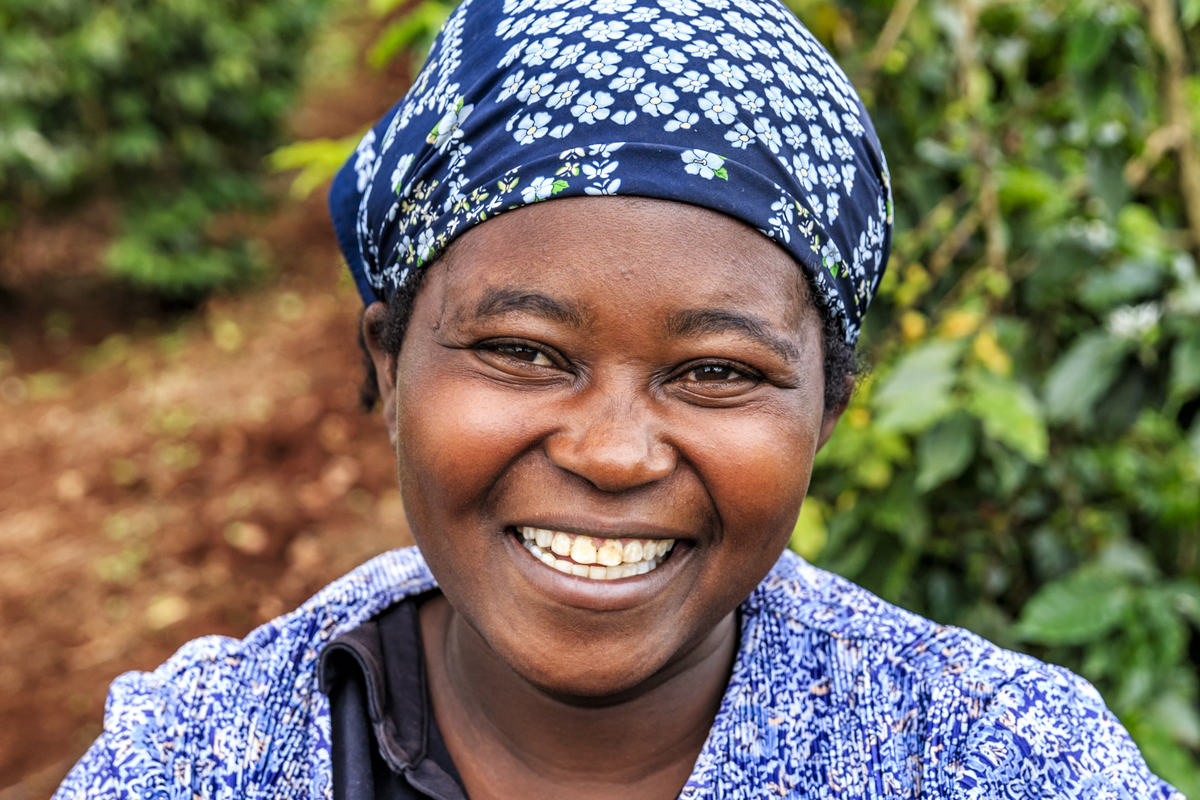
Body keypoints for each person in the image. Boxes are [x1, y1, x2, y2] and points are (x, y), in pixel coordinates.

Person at [54, 1, 1180, 798]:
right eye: (524, 351)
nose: (613, 451)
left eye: (717, 372)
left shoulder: (1007, 761)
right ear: (390, 365)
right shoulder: (188, 763)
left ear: (827, 409)